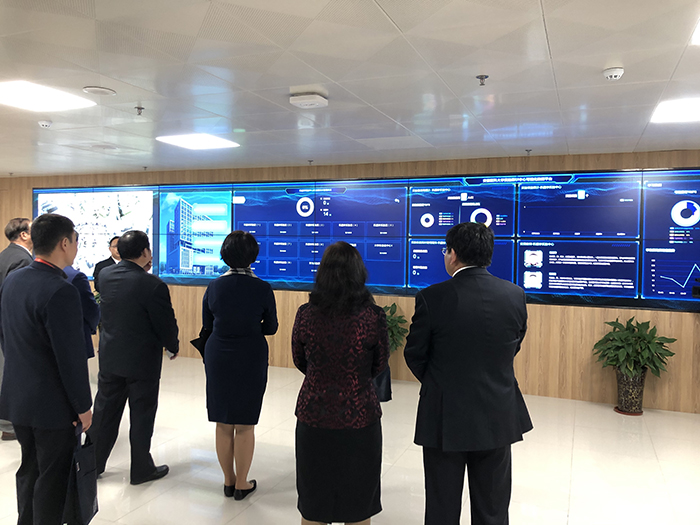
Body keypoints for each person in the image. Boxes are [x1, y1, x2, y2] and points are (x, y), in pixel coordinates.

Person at [403, 222, 532, 525]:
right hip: (497, 413)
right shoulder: (514, 295)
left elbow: (415, 354)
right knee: (493, 508)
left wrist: (441, 381)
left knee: (442, 507)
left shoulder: (432, 297)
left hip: (445, 416)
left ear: (453, 255)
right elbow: (513, 345)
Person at [0, 213, 92, 525]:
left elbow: (5, 336)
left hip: (18, 398)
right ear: (64, 243)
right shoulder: (61, 289)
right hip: (52, 406)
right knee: (52, 480)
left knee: (30, 469)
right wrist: (83, 406)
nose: (76, 247)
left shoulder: (14, 280)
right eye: (76, 241)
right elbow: (70, 358)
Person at [292, 241, 389, 525]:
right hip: (360, 419)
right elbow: (379, 364)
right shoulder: (373, 317)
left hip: (313, 417)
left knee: (314, 505)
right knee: (357, 506)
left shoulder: (306, 314)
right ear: (359, 273)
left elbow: (300, 360)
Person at [88, 230, 179, 485]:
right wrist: (173, 346)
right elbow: (164, 322)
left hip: (111, 356)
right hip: (142, 361)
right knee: (142, 415)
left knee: (104, 413)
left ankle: (91, 466)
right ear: (146, 252)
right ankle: (141, 469)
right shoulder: (153, 284)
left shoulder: (106, 275)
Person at [202, 231, 278, 500]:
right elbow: (271, 327)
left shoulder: (213, 287)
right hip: (250, 354)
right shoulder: (262, 288)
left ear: (224, 255)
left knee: (223, 421)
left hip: (218, 355)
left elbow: (207, 325)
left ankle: (228, 481)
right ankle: (242, 483)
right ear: (253, 256)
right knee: (245, 422)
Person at [0, 217, 34, 441]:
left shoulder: (5, 255)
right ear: (23, 234)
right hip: (10, 327)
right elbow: (17, 298)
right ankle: (9, 425)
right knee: (10, 375)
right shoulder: (22, 259)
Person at [64, 265, 101, 358]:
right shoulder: (76, 277)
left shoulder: (32, 274)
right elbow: (90, 308)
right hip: (75, 338)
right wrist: (92, 326)